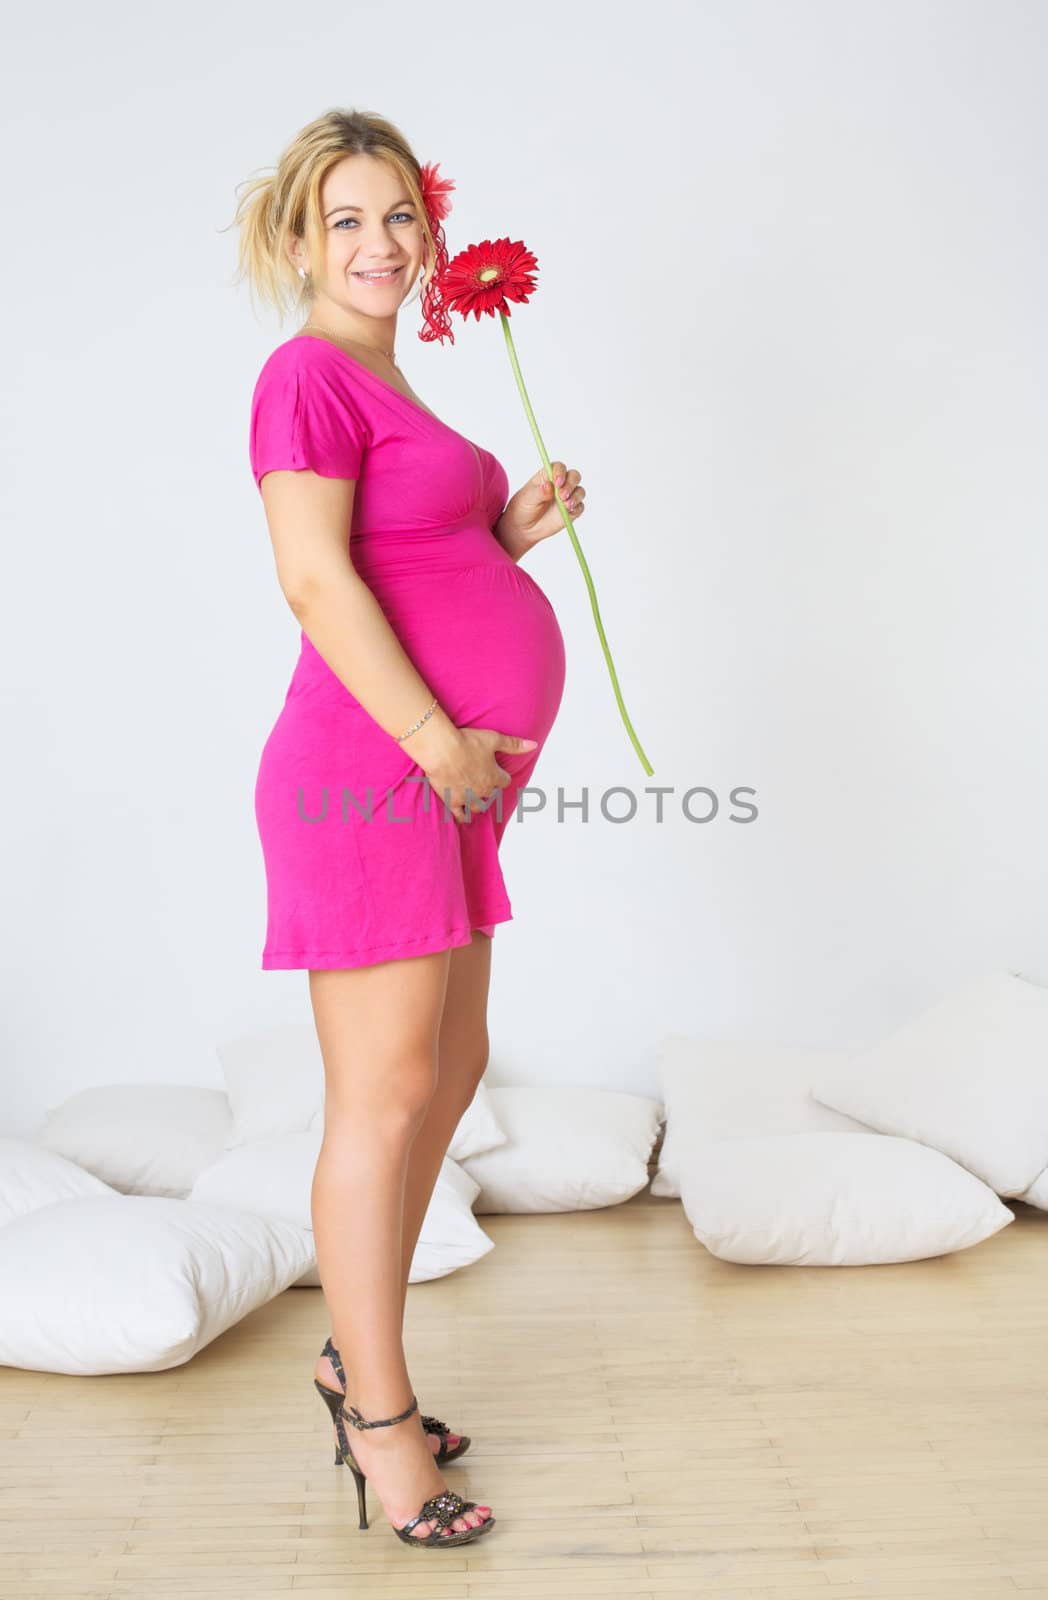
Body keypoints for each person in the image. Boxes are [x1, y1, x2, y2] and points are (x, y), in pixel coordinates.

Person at [229, 108, 583, 1549]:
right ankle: (377, 1417)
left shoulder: (395, 383)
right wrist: (438, 742)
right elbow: (316, 583)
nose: (379, 245)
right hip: (373, 772)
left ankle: (349, 1359)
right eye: (348, 221)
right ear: (301, 238)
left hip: (439, 782)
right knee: (380, 1096)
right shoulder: (303, 377)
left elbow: (410, 564)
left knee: (451, 1067)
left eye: (399, 219)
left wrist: (508, 544)